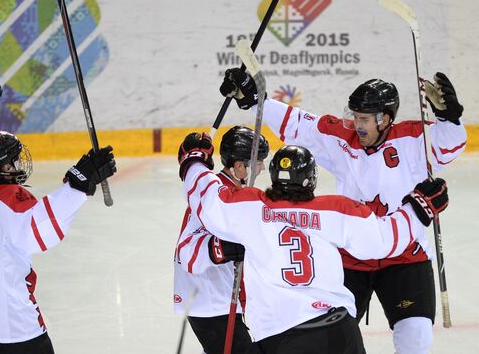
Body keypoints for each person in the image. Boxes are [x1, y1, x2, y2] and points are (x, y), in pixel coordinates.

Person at [219, 68, 467, 354]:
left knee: (416, 341)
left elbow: (449, 147)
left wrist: (449, 117)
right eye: (355, 116)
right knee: (334, 339)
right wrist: (255, 100)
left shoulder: (413, 138)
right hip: (350, 258)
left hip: (405, 258)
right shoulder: (341, 137)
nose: (356, 124)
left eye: (364, 119)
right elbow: (298, 124)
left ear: (385, 119)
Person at [177, 135, 449, 354]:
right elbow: (385, 240)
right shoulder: (337, 209)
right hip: (341, 330)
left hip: (284, 337)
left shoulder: (251, 207)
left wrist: (194, 163)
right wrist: (418, 208)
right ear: (311, 179)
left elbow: (208, 198)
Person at [0, 73, 117, 353]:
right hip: (14, 331)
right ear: (1, 168)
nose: (17, 164)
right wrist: (79, 183)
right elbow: (42, 229)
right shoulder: (9, 201)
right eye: (13, 161)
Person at [173, 126, 269, 354]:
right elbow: (185, 252)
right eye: (258, 162)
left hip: (223, 299)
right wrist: (219, 249)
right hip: (209, 303)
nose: (262, 167)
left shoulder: (234, 192)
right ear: (239, 166)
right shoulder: (214, 197)